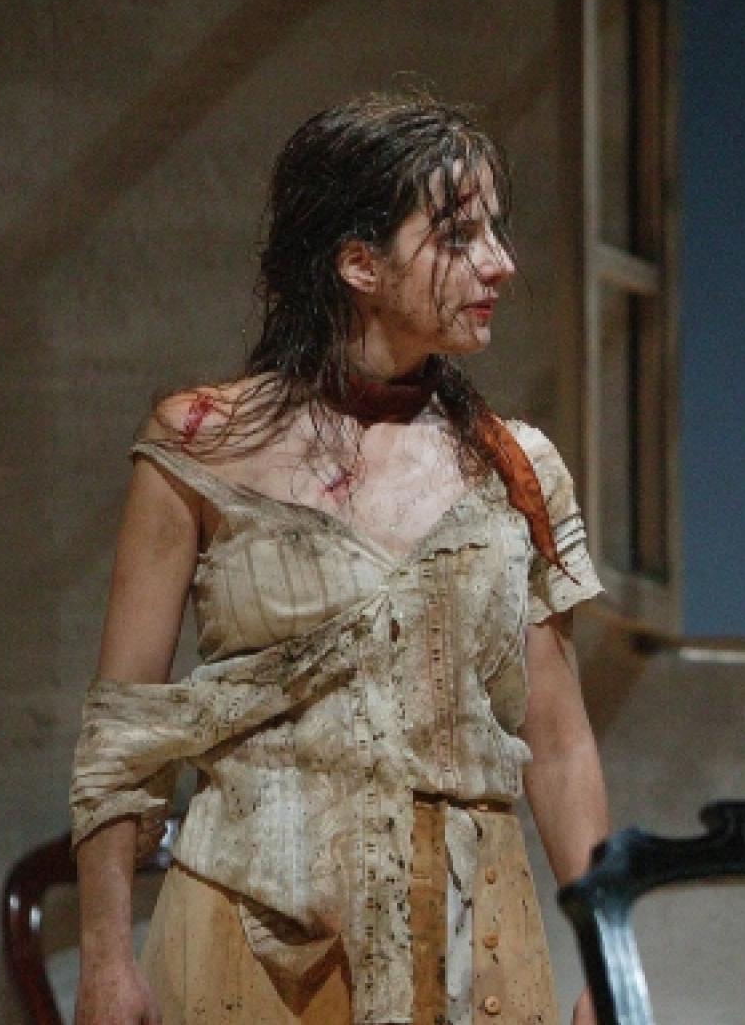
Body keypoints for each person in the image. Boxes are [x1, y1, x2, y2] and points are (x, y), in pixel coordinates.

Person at [70, 93, 608, 1024]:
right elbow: (123, 731)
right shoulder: (202, 444)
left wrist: (606, 962)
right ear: (361, 263)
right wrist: (105, 956)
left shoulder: (514, 469)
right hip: (249, 929)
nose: (500, 263)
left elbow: (560, 745)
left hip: (470, 937)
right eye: (459, 236)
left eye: (497, 230)